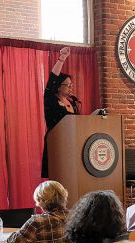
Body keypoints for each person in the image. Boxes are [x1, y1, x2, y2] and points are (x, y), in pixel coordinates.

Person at [42, 47, 80, 178]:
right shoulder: (51, 99)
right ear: (58, 86)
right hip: (56, 142)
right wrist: (62, 59)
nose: (70, 88)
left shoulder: (73, 103)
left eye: (71, 85)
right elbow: (52, 79)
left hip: (72, 143)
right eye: (67, 85)